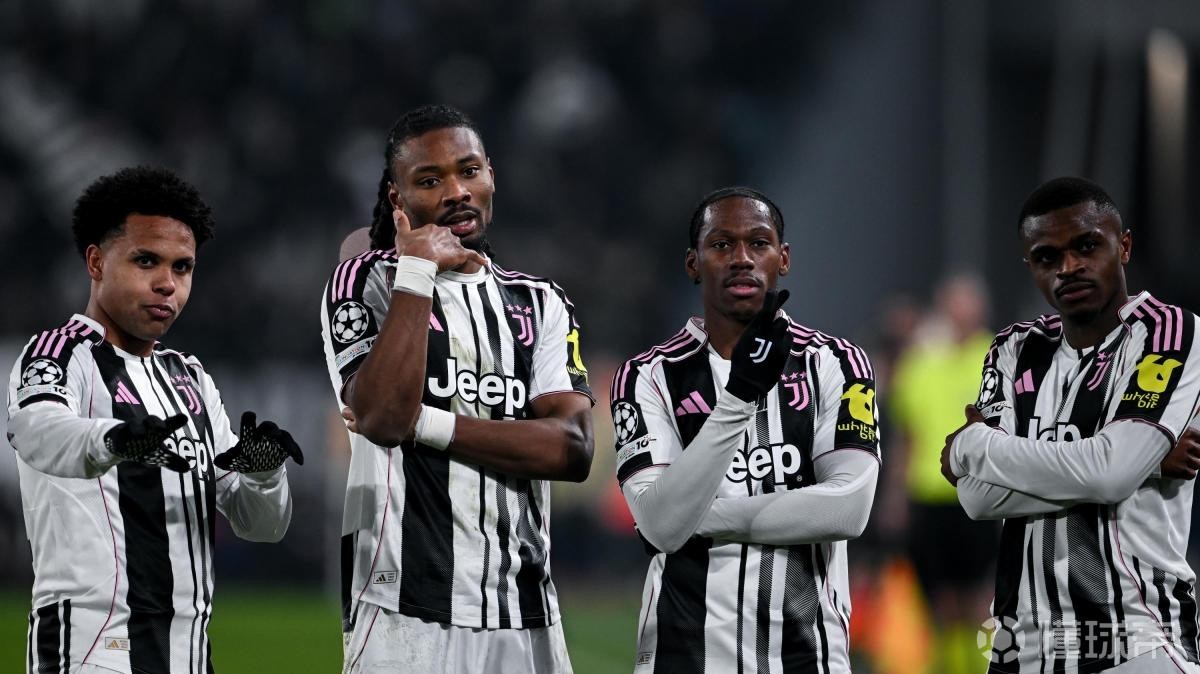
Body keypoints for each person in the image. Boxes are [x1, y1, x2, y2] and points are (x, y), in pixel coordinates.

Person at [321, 104, 593, 674]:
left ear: (491, 174)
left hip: (526, 610)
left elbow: (571, 449)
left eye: (469, 171)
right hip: (403, 609)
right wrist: (417, 271)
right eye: (429, 180)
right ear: (397, 198)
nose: (456, 192)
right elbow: (381, 417)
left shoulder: (539, 302)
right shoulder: (366, 281)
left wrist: (423, 421)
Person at [7, 166, 303, 674]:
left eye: (182, 267)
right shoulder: (59, 354)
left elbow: (262, 526)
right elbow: (35, 431)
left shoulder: (190, 380)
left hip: (189, 656)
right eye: (146, 261)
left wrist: (263, 474)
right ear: (96, 262)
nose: (167, 284)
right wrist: (115, 439)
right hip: (92, 650)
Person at [609, 187, 880, 672]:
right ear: (693, 263)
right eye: (721, 244)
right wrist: (738, 398)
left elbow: (849, 509)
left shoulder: (836, 363)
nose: (741, 258)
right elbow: (662, 525)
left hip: (807, 654)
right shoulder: (647, 375)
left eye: (758, 243)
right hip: (684, 655)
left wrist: (694, 517)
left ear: (783, 258)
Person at [943, 176, 1200, 673]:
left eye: (1087, 246)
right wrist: (1139, 465)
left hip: (1136, 641)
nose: (1068, 267)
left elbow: (1110, 474)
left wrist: (970, 446)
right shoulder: (1014, 348)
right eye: (1047, 257)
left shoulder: (1169, 332)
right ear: (1030, 265)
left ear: (1124, 247)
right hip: (1022, 648)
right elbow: (978, 497)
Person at [888, 274, 997, 674]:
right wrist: (895, 495)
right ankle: (949, 666)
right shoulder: (921, 361)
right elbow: (908, 434)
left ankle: (980, 667)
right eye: (954, 305)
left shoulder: (996, 356)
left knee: (979, 598)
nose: (961, 314)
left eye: (968, 305)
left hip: (982, 496)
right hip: (929, 494)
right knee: (940, 601)